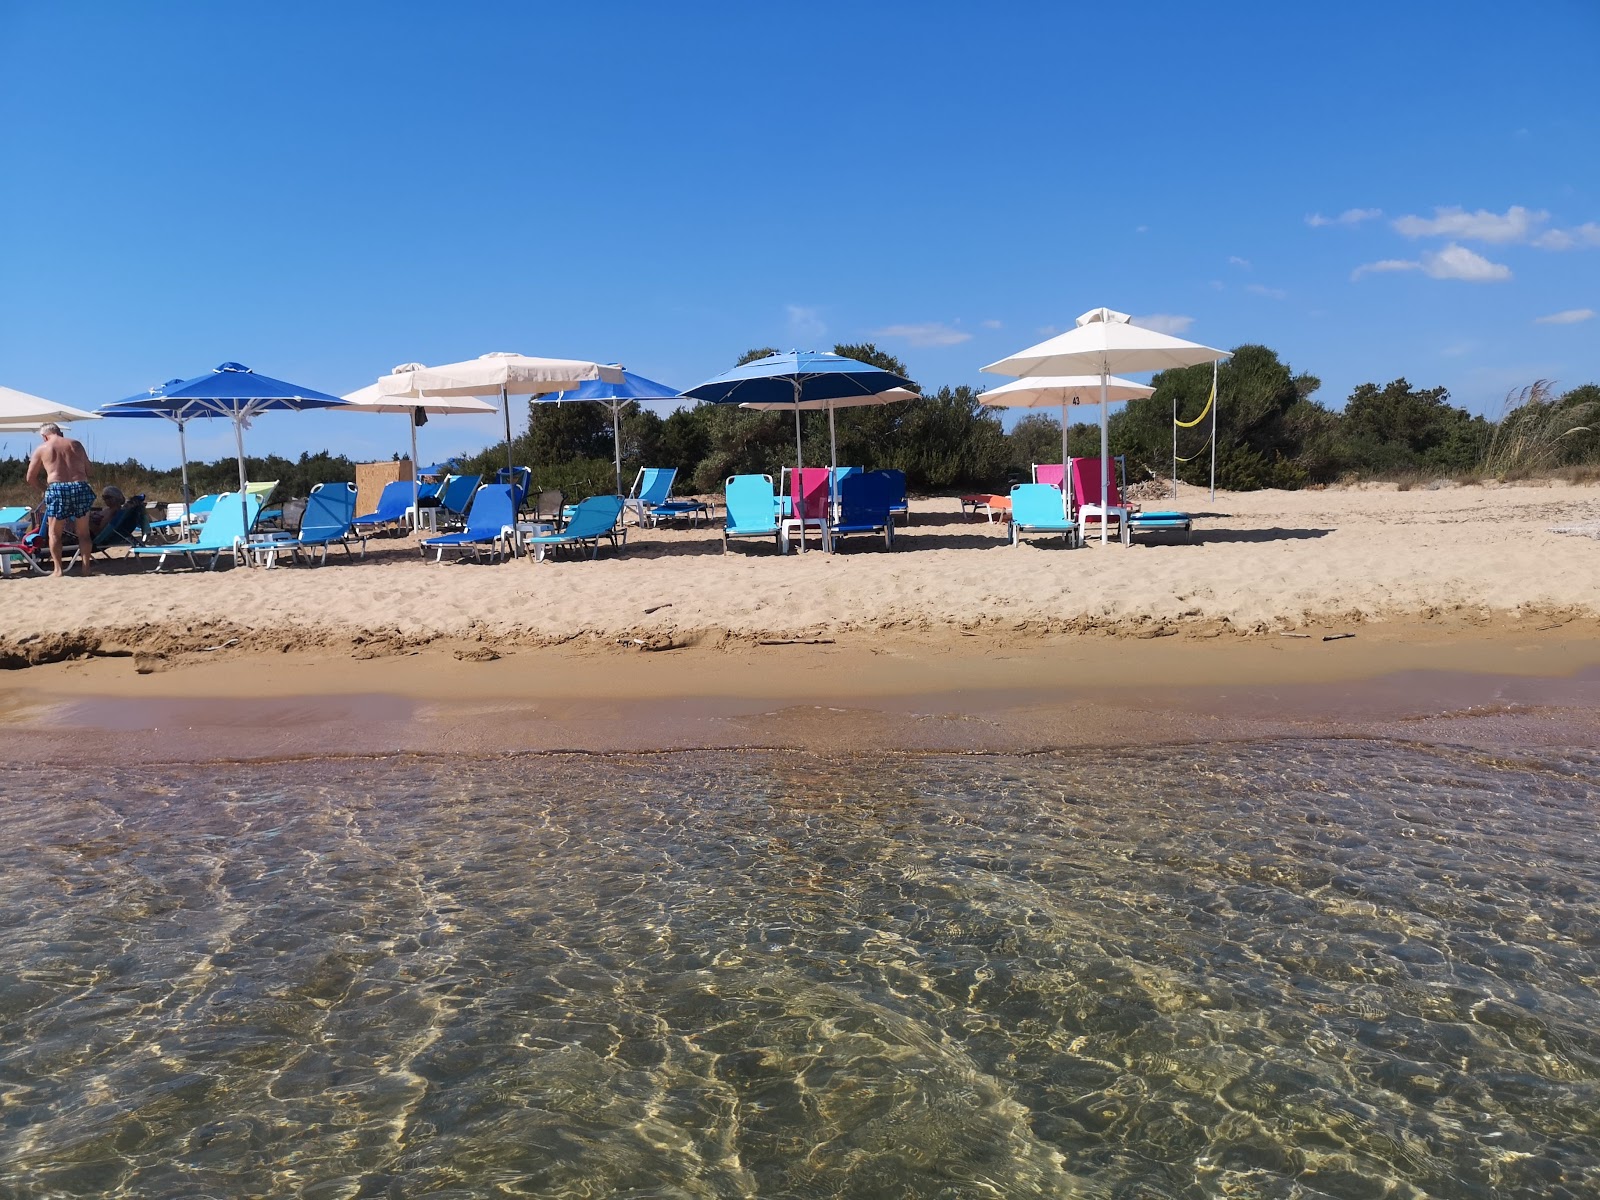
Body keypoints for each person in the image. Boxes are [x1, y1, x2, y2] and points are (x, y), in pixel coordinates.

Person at [25, 422, 95, 577]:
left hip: (57, 488)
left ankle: (58, 570)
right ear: (60, 432)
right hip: (80, 486)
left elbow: (30, 478)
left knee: (54, 532)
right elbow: (89, 470)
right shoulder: (76, 444)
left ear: (44, 436)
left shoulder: (42, 448)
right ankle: (86, 569)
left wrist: (44, 489)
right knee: (83, 533)